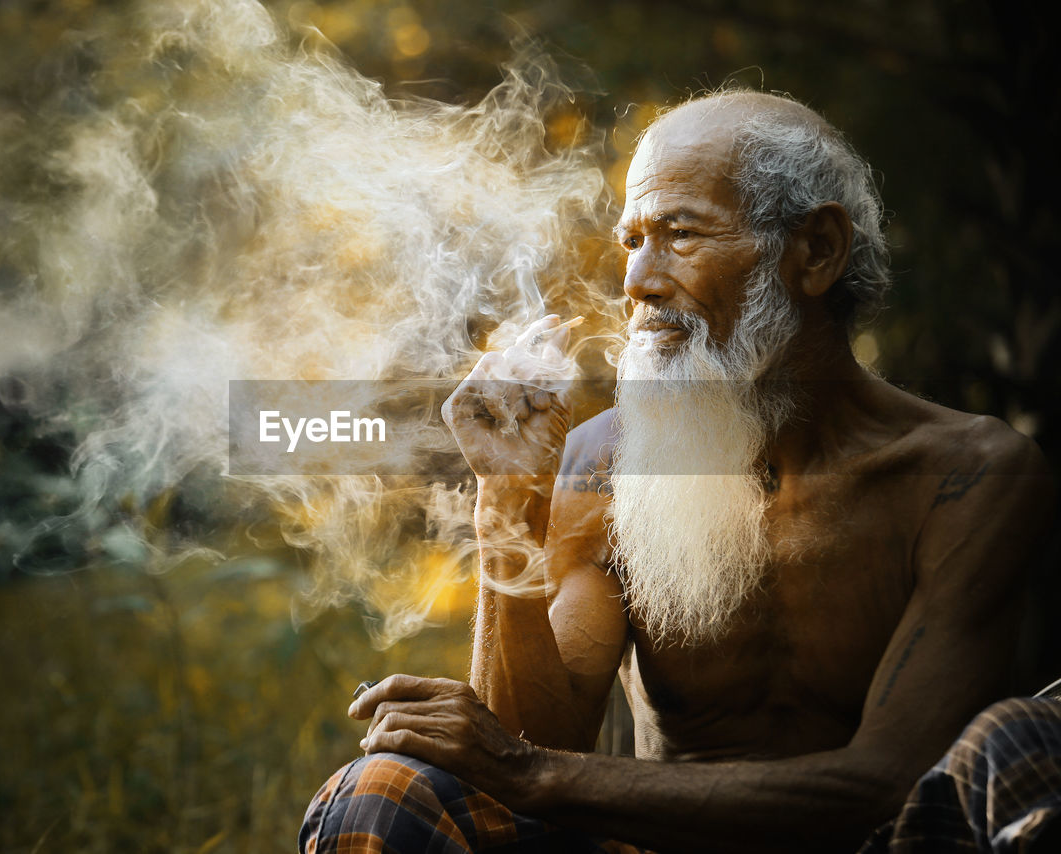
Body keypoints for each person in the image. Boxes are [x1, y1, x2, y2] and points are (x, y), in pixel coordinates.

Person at [298, 89, 1056, 853]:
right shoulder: (607, 462)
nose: (637, 281)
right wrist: (507, 503)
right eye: (633, 241)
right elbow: (528, 746)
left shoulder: (974, 477)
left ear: (817, 251)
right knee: (385, 789)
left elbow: (889, 782)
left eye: (679, 233)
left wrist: (528, 771)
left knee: (1028, 738)